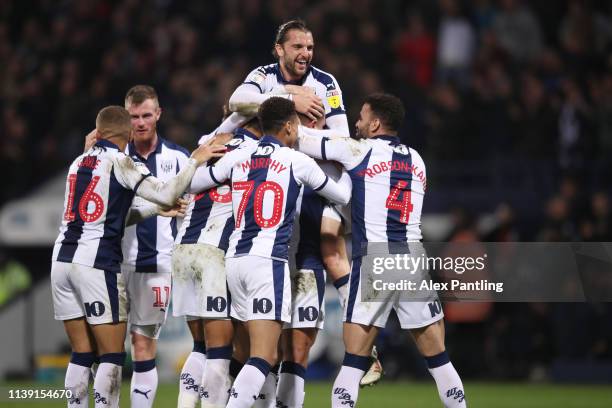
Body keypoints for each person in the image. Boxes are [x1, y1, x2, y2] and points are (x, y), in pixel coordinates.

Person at [297, 93, 467, 407]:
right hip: (412, 260)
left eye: (361, 117)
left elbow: (299, 138)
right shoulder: (417, 159)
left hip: (375, 259)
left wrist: (288, 102)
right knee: (440, 360)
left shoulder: (357, 149)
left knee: (353, 362)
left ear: (375, 123)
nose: (356, 124)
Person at [51, 106, 224, 408]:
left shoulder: (78, 162)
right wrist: (196, 159)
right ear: (128, 134)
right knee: (112, 355)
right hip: (95, 263)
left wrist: (155, 210)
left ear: (99, 132)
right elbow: (168, 192)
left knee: (81, 353)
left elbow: (108, 215)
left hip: (61, 262)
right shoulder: (121, 161)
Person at [189, 97, 352, 408]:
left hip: (234, 261)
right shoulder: (295, 160)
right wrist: (349, 165)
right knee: (265, 356)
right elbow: (341, 193)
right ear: (290, 126)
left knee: (247, 353)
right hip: (268, 263)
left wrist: (197, 157)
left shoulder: (240, 155)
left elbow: (195, 183)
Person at [173, 119, 262, 408]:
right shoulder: (257, 152)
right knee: (219, 351)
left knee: (199, 346)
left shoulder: (211, 144)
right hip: (214, 252)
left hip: (184, 248)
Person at [120, 85, 191, 408]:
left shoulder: (178, 159)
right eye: (133, 116)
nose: (140, 122)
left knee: (142, 346)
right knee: (104, 352)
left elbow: (189, 215)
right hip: (114, 265)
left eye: (146, 115)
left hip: (157, 266)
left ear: (158, 114)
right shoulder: (116, 157)